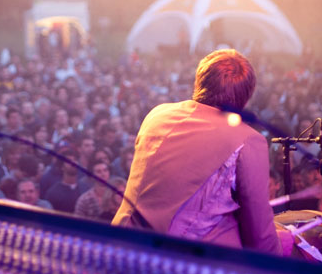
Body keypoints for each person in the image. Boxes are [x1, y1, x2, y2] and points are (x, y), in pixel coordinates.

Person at [112, 49, 282, 256]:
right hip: (184, 264)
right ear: (246, 97)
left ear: (200, 81)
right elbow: (259, 233)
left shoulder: (157, 115)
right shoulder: (248, 140)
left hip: (120, 245)